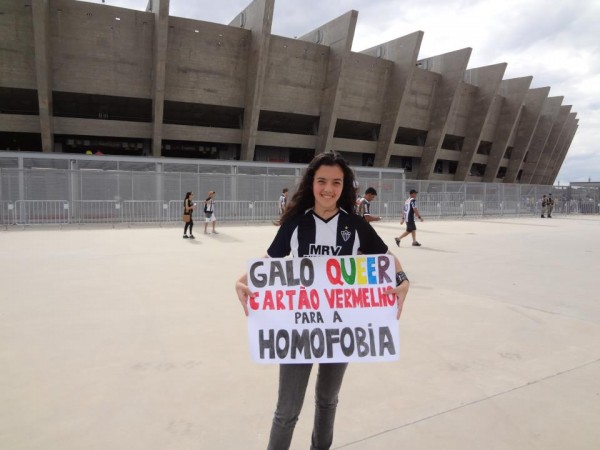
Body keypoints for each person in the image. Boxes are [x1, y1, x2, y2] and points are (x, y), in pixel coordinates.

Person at [234, 152, 410, 450]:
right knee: (287, 411)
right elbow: (269, 263)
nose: (328, 188)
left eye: (336, 182)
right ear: (311, 183)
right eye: (322, 181)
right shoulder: (295, 225)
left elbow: (386, 259)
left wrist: (403, 280)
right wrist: (243, 280)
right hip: (299, 328)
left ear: (345, 186)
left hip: (340, 328)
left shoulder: (355, 225)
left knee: (328, 401)